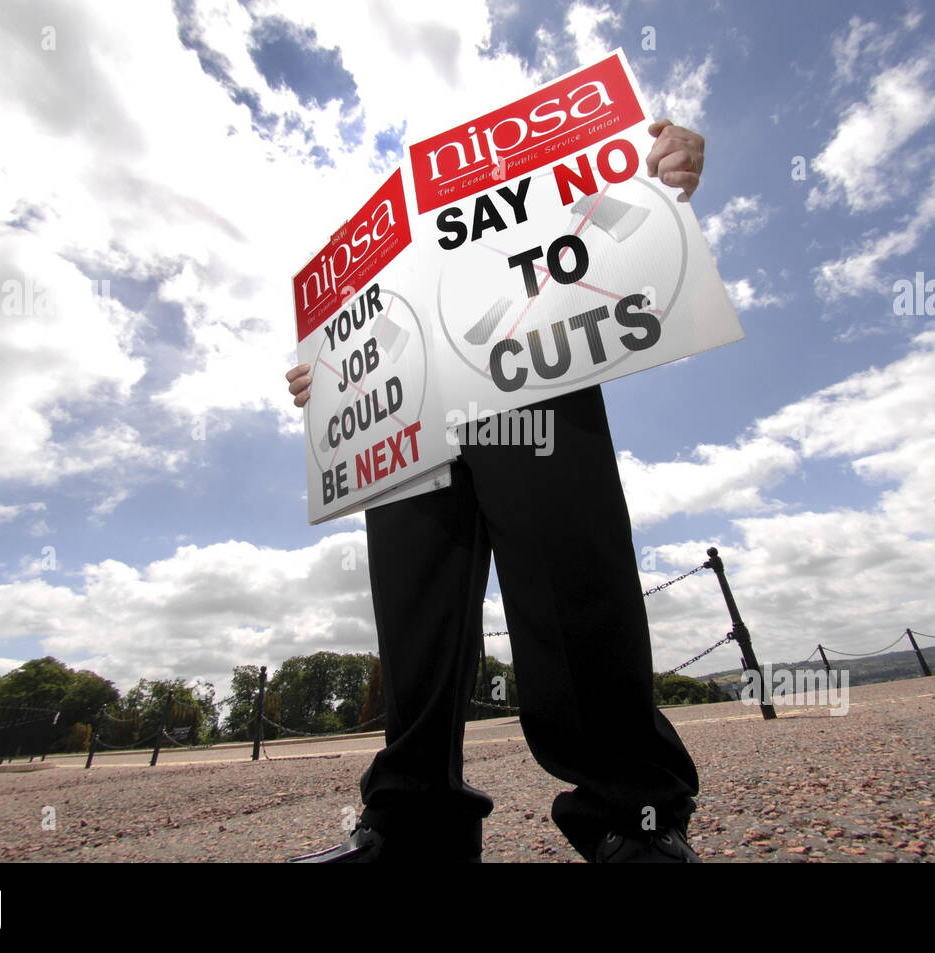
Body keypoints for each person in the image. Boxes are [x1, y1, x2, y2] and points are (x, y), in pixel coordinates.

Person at [285, 120, 708, 863]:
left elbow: (614, 212)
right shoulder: (379, 255)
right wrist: (325, 376)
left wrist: (659, 168)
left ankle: (631, 811)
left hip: (522, 349)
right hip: (406, 402)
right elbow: (348, 335)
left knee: (568, 563)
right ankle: (412, 825)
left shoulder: (531, 173)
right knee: (413, 610)